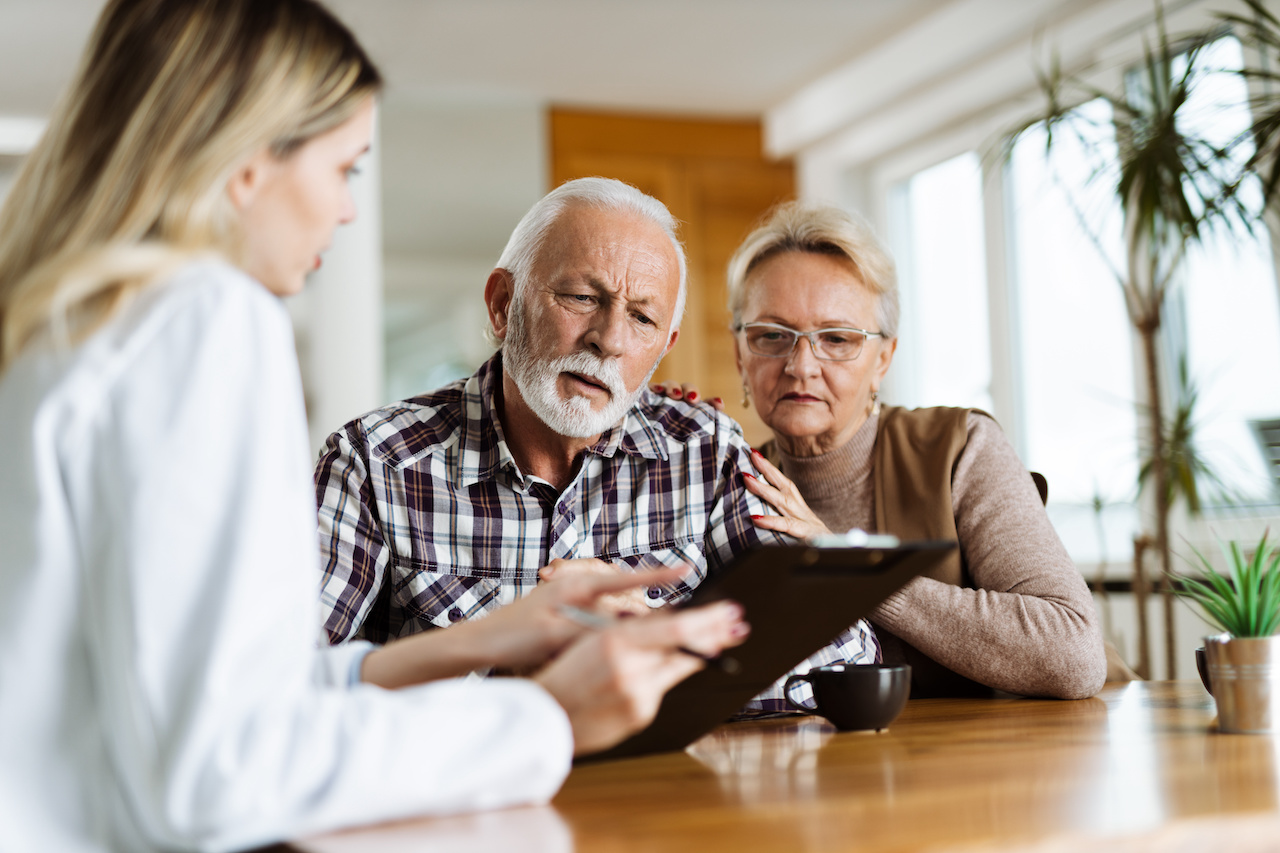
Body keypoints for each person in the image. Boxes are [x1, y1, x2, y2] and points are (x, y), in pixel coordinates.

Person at [0, 2, 749, 851]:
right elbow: (222, 773)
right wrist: (546, 716)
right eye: (344, 168)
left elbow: (191, 702)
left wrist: (482, 639)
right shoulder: (204, 316)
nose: (348, 211)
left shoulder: (60, 322)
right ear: (248, 163)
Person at [314, 178, 880, 711]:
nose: (609, 340)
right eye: (582, 297)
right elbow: (281, 687)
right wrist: (516, 676)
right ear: (502, 304)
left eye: (641, 318)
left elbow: (846, 659)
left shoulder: (705, 451)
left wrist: (662, 648)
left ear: (664, 348)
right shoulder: (373, 462)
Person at [661, 201, 1108, 699]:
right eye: (772, 336)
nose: (801, 365)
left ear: (883, 359)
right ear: (740, 356)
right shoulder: (724, 483)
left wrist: (848, 570)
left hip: (1012, 758)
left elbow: (1074, 655)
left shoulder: (961, 448)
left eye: (836, 338)